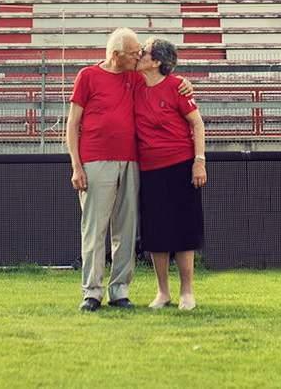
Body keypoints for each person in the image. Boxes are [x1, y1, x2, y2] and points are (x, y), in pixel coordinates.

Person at [66, 27, 194, 312]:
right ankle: (92, 292)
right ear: (115, 55)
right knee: (95, 229)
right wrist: (76, 164)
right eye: (134, 52)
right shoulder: (87, 76)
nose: (139, 55)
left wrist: (184, 81)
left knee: (126, 229)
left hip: (132, 160)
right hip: (95, 160)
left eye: (140, 51)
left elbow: (163, 79)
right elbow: (73, 124)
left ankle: (120, 290)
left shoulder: (135, 76)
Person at [135, 37, 206, 311]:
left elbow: (197, 124)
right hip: (150, 169)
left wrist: (199, 161)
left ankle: (187, 292)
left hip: (179, 165)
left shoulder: (177, 86)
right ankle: (162, 292)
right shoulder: (136, 85)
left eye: (145, 53)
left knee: (184, 229)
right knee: (156, 231)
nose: (139, 55)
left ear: (156, 62)